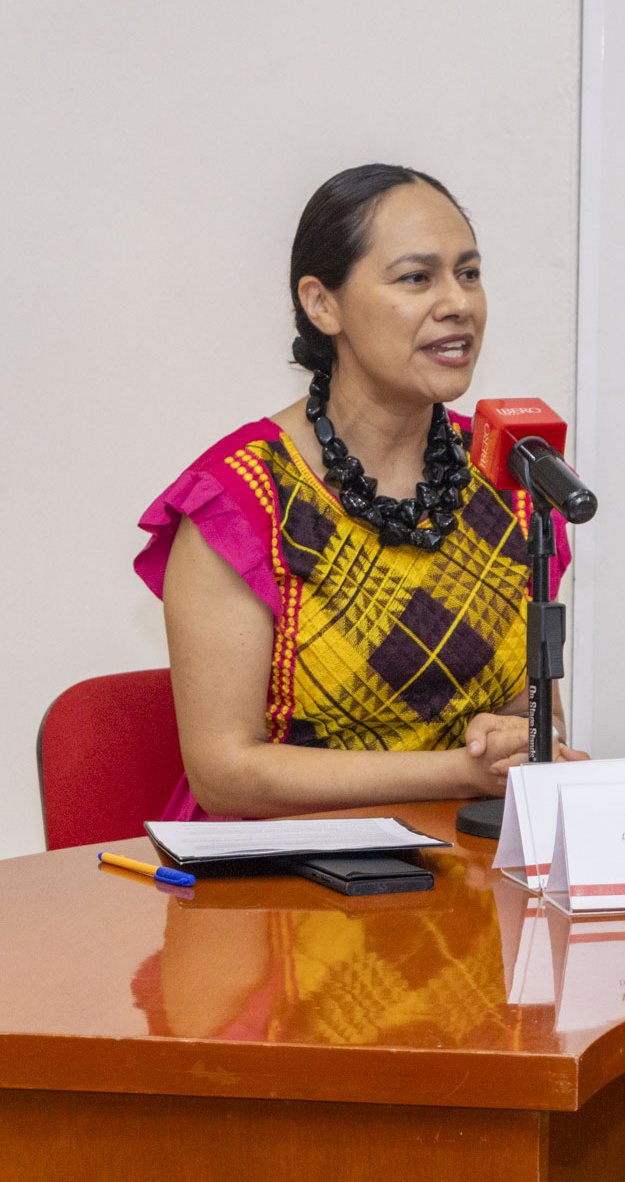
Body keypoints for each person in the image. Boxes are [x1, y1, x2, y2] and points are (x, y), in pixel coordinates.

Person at [135, 164, 584, 819]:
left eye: (469, 273)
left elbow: (534, 724)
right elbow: (226, 775)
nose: (458, 302)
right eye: (416, 277)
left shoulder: (509, 476)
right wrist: (457, 772)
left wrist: (525, 742)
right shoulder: (241, 499)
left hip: (459, 873)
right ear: (323, 304)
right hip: (275, 891)